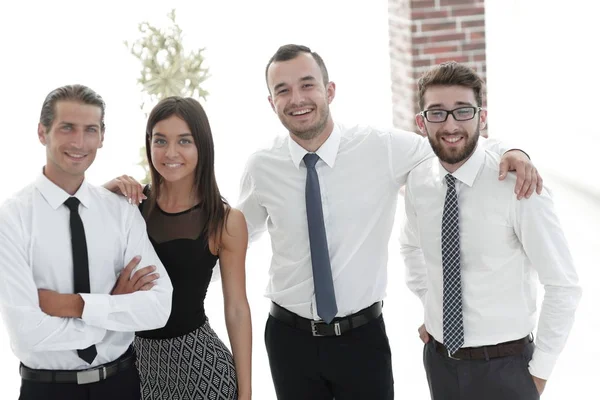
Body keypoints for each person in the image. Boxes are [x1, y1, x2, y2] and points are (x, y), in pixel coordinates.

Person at [236, 44, 543, 400]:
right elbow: (232, 237)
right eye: (282, 90)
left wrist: (512, 151)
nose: (297, 99)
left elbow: (454, 140)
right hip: (289, 339)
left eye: (307, 85)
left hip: (361, 338)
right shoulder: (262, 166)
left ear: (329, 90)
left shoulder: (380, 148)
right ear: (271, 102)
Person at [399, 61, 582, 399]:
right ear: (421, 122)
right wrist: (432, 305)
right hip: (439, 363)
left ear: (481, 118)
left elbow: (563, 285)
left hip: (506, 369)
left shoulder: (520, 186)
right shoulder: (418, 181)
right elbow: (410, 247)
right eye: (437, 113)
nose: (451, 124)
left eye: (463, 111)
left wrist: (538, 376)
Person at [0, 84, 173, 400]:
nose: (79, 142)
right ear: (43, 132)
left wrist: (77, 305)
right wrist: (113, 307)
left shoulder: (121, 212)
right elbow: (28, 335)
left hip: (120, 385)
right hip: (46, 390)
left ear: (102, 137)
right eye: (67, 128)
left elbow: (158, 308)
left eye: (90, 130)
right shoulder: (11, 220)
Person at [104, 97, 252, 400]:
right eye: (161, 140)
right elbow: (65, 237)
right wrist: (104, 192)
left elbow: (236, 308)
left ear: (202, 146)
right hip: (137, 370)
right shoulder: (128, 206)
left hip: (204, 374)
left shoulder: (225, 221)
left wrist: (246, 393)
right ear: (149, 144)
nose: (171, 152)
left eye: (184, 141)